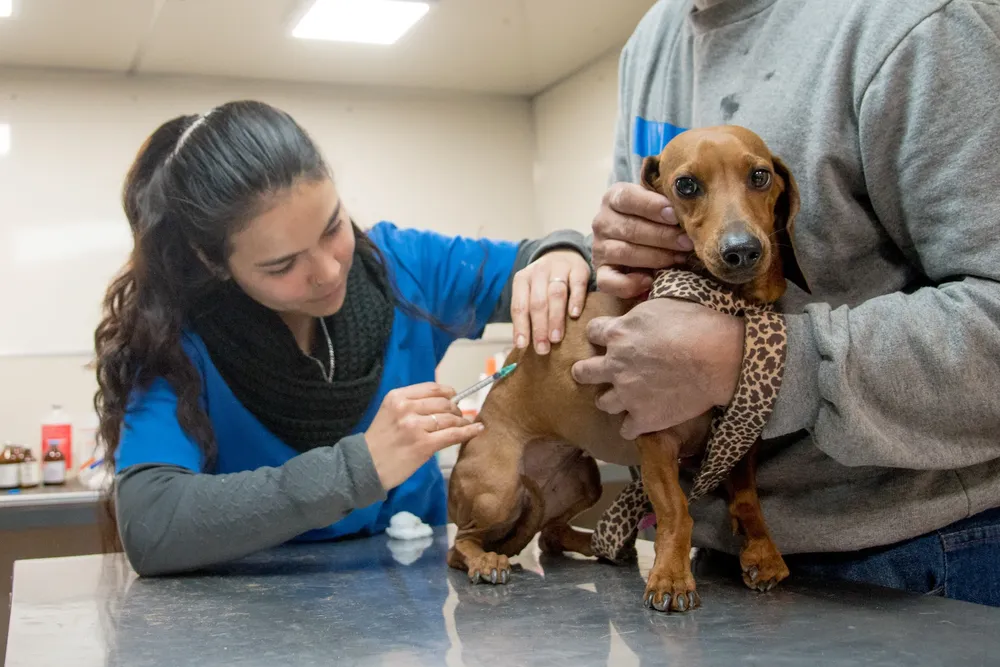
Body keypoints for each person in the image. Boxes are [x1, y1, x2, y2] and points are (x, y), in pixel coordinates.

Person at [572, 0, 1000, 606]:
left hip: (921, 554)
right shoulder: (649, 41)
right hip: (715, 551)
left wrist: (761, 363)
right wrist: (573, 252)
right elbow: (643, 255)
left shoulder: (920, 21)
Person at [94, 100, 593, 577]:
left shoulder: (401, 266)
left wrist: (562, 255)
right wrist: (360, 467)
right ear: (213, 262)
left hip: (418, 618)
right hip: (255, 627)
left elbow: (536, 259)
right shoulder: (177, 342)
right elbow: (152, 523)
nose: (330, 271)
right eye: (283, 265)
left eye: (333, 227)